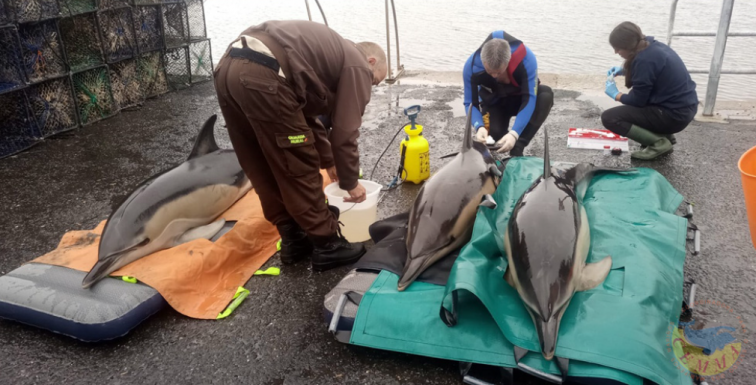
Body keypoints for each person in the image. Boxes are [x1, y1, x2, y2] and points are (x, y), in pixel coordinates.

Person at [213, 20, 387, 271]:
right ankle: (327, 245)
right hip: (264, 74)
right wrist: (350, 182)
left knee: (261, 162)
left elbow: (304, 117)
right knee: (297, 163)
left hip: (227, 70)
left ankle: (293, 239)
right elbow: (345, 131)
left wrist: (328, 162)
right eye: (375, 82)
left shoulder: (323, 58)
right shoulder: (357, 64)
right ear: (371, 62)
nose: (370, 88)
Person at [602, 21, 699, 160]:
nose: (616, 52)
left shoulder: (644, 60)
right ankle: (664, 135)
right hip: (684, 109)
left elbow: (637, 101)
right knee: (637, 108)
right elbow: (654, 74)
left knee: (610, 117)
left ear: (629, 47)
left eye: (618, 48)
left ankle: (658, 143)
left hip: (674, 117)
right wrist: (626, 71)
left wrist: (616, 94)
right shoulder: (653, 46)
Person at [463, 30, 554, 156]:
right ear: (484, 62)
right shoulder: (472, 66)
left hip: (520, 100)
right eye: (490, 72)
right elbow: (469, 103)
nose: (494, 75)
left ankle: (518, 147)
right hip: (495, 102)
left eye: (499, 72)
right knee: (492, 138)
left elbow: (530, 98)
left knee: (545, 95)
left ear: (508, 61)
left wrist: (514, 134)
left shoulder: (526, 59)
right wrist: (479, 126)